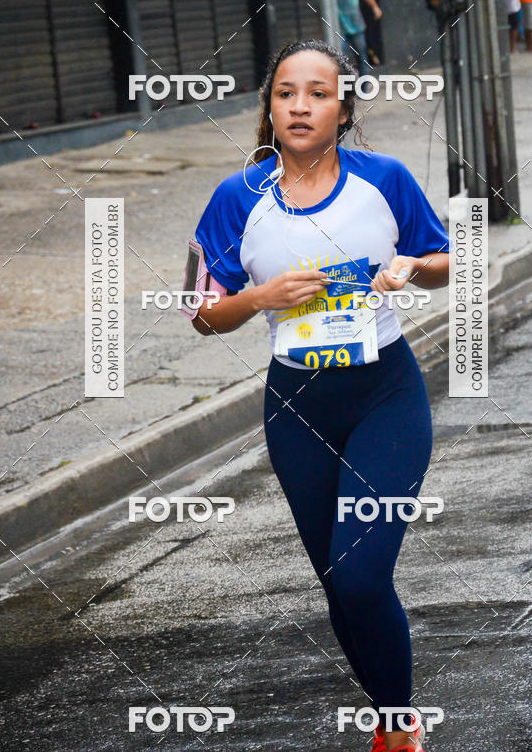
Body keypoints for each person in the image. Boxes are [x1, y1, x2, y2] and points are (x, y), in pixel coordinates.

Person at [189, 39, 450, 752]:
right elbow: (200, 314)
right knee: (338, 581)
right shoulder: (234, 199)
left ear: (343, 108)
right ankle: (388, 722)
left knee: (363, 575)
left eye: (318, 93)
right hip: (297, 407)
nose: (300, 106)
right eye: (285, 93)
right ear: (268, 109)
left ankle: (400, 727)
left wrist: (409, 268)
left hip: (385, 395)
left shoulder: (384, 179)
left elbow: (445, 262)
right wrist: (260, 297)